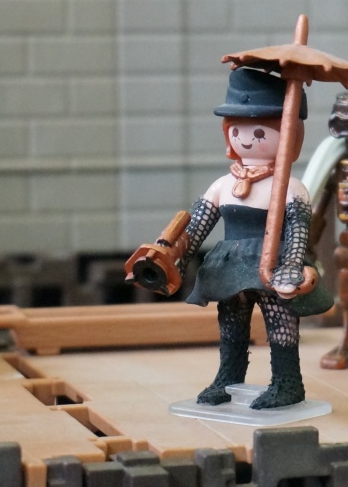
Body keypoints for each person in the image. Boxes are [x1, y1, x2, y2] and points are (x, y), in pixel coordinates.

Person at [128, 67, 332, 409]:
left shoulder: (291, 188)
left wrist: (291, 266)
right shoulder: (223, 186)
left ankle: (287, 383)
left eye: (260, 131)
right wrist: (173, 256)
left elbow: (299, 231)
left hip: (273, 264)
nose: (247, 139)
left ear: (288, 135)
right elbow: (196, 227)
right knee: (231, 324)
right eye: (238, 130)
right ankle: (228, 379)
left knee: (281, 324)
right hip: (231, 267)